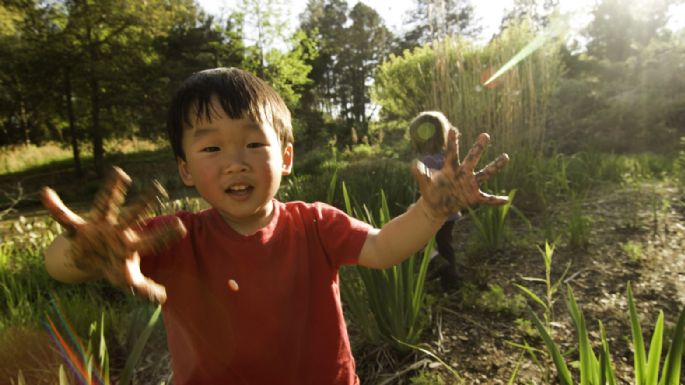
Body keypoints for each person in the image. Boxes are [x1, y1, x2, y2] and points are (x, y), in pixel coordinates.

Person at [42, 67, 510, 385]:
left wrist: (430, 212)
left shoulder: (314, 224)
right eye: (211, 149)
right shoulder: (173, 235)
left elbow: (383, 248)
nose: (235, 163)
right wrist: (85, 251)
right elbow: (59, 267)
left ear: (285, 158)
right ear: (184, 169)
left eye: (253, 144)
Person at [409, 111, 462, 290]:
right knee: (446, 244)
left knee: (418, 241)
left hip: (435, 213)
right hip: (450, 212)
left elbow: (428, 190)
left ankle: (438, 265)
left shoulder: (428, 161)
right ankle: (451, 281)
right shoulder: (446, 157)